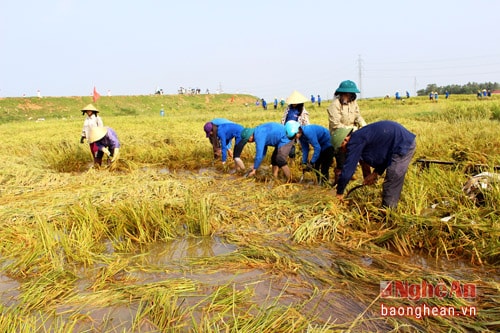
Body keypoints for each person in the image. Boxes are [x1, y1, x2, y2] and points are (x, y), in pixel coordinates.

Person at [331, 120, 416, 208]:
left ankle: (388, 212)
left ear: (345, 140)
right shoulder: (359, 136)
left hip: (403, 144)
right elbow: (384, 155)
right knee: (391, 177)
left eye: (341, 148)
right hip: (398, 142)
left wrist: (339, 192)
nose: (343, 151)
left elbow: (348, 169)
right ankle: (388, 208)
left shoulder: (354, 141)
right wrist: (376, 173)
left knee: (392, 178)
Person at [326, 80, 367, 183]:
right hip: (339, 136)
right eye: (346, 94)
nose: (348, 96)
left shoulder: (353, 103)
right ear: (341, 94)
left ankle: (353, 177)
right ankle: (338, 184)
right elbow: (335, 124)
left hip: (353, 134)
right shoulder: (334, 105)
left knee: (357, 157)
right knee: (341, 161)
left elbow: (357, 116)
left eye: (350, 94)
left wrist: (364, 126)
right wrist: (352, 129)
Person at [281, 90, 310, 159]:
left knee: (301, 145)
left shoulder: (302, 110)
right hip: (288, 129)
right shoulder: (288, 108)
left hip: (297, 130)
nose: (293, 103)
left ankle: (301, 160)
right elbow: (283, 118)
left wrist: (307, 131)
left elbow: (306, 121)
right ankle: (292, 159)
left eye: (295, 102)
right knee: (290, 145)